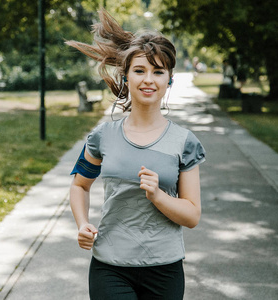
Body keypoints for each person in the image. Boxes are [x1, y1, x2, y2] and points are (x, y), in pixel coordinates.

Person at [66, 9, 205, 300]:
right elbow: (80, 185)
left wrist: (159, 196)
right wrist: (82, 224)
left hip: (165, 268)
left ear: (169, 80)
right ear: (126, 76)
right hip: (110, 266)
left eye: (158, 71)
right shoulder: (102, 137)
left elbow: (192, 215)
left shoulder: (185, 142)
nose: (148, 80)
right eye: (140, 70)